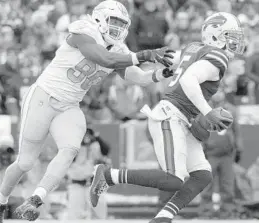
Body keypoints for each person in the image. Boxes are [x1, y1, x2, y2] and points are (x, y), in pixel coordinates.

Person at [0, 1, 176, 222]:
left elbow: (136, 76)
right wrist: (143, 55)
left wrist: (161, 74)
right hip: (44, 96)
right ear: (99, 18)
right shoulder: (84, 30)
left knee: (70, 149)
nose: (117, 28)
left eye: (121, 24)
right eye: (113, 21)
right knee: (25, 163)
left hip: (69, 105)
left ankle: (34, 200)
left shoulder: (118, 49)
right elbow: (101, 58)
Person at [90, 12, 245, 223]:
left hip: (182, 117)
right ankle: (109, 176)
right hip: (172, 115)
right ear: (216, 36)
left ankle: (164, 217)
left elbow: (174, 61)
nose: (235, 42)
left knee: (202, 174)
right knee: (173, 179)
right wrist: (207, 112)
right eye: (230, 36)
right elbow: (189, 80)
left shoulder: (195, 47)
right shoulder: (217, 58)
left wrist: (161, 71)